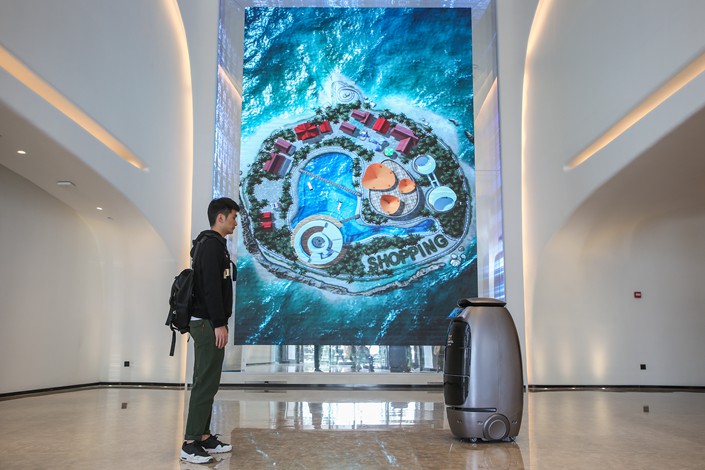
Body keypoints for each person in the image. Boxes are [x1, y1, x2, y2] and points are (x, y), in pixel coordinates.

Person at [180, 197, 239, 464]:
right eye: (233, 217)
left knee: (209, 381)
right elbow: (211, 289)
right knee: (205, 382)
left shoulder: (213, 245)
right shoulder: (211, 246)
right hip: (206, 323)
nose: (235, 222)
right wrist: (219, 323)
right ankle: (190, 442)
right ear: (221, 218)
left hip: (206, 321)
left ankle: (204, 437)